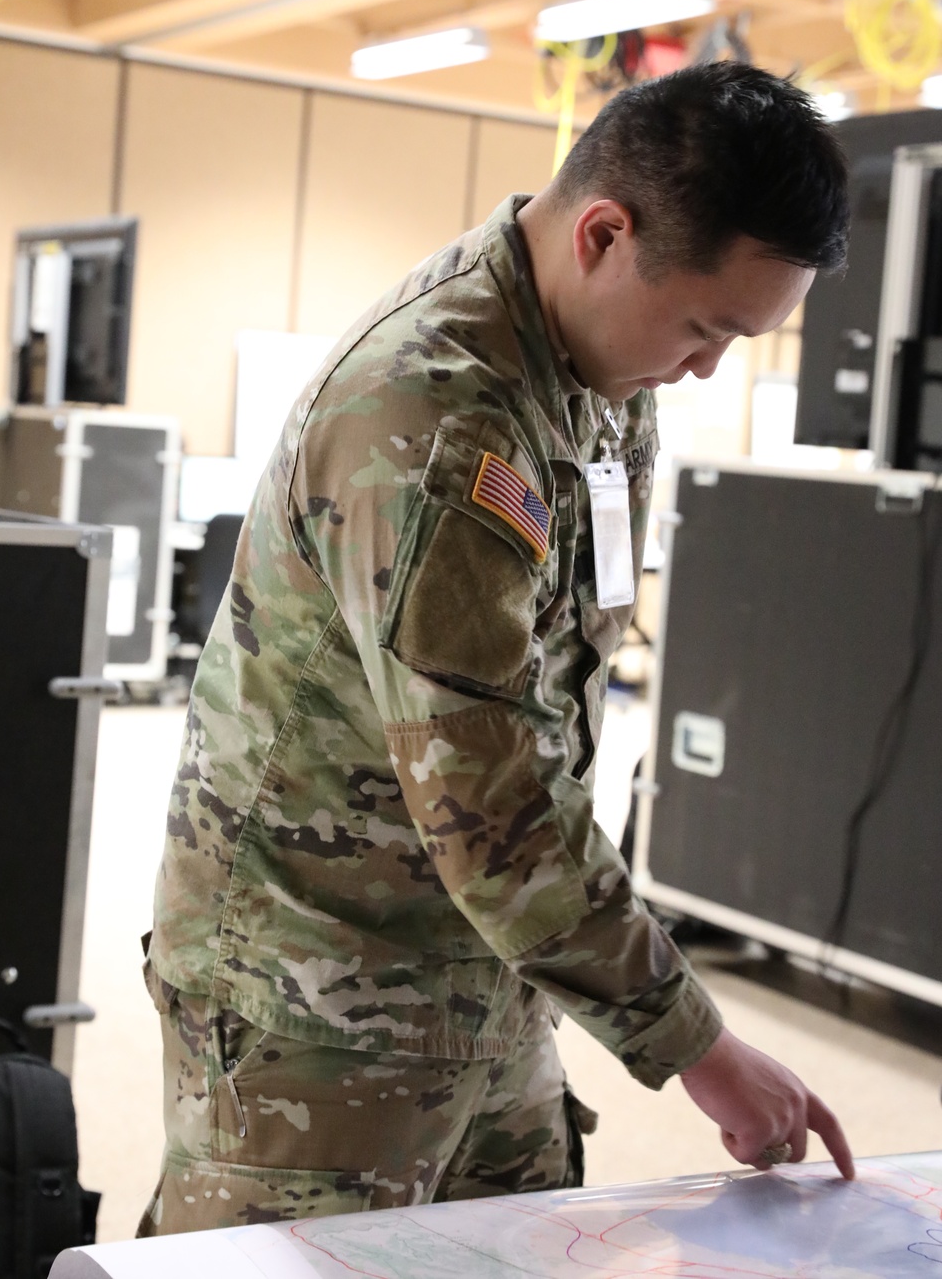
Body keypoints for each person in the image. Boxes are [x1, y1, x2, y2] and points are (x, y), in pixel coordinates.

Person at [138, 62, 854, 1237]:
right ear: (603, 234)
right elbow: (495, 807)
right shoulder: (430, 418)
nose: (707, 367)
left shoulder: (598, 372)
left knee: (511, 1259)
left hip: (493, 963)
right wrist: (701, 1048)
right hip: (315, 994)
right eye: (704, 327)